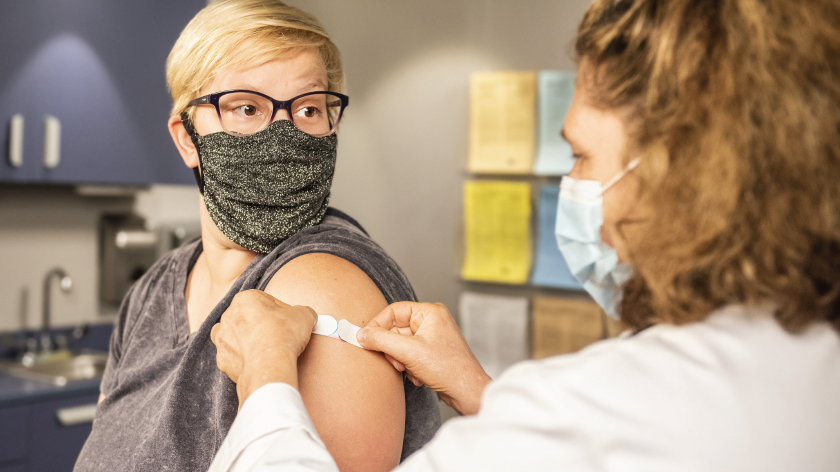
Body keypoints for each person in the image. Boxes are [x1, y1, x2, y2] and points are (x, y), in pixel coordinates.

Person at [206, 0, 840, 470]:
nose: (571, 186)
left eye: (584, 157)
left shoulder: (610, 406)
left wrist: (265, 373)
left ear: (687, 175)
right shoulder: (805, 365)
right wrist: (480, 391)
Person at [74, 1, 440, 471]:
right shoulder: (152, 292)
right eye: (247, 108)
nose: (284, 134)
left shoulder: (323, 285)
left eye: (308, 108)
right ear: (187, 138)